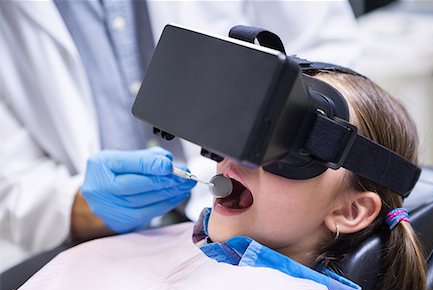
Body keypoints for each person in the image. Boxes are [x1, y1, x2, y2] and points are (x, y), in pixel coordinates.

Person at [0, 0, 360, 271]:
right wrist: (82, 206)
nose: (226, 161)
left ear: (351, 210)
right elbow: (11, 186)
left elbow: (334, 75)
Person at [8, 66, 426, 290]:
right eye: (250, 132)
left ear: (350, 210)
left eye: (290, 144)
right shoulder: (165, 240)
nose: (239, 157)